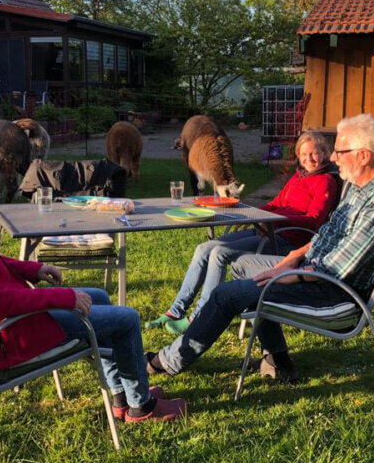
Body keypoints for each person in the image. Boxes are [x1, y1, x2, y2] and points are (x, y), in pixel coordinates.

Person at [0, 137, 185, 422]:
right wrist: (64, 297)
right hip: (9, 340)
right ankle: (141, 407)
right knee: (128, 319)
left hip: (9, 327)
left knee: (99, 296)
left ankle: (123, 396)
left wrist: (31, 270)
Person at [145, 114, 374, 380]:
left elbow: (341, 266)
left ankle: (166, 362)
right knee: (241, 266)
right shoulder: (363, 189)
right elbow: (328, 232)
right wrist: (294, 255)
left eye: (339, 151)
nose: (334, 158)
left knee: (226, 294)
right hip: (317, 273)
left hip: (332, 294)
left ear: (363, 155)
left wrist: (293, 273)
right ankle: (278, 359)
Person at [145, 131, 341, 335]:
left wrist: (273, 221)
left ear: (324, 152)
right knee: (205, 247)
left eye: (314, 153)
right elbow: (277, 203)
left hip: (287, 238)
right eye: (303, 154)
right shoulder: (298, 177)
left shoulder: (326, 180)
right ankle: (175, 311)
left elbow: (313, 221)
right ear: (298, 156)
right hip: (268, 230)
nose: (309, 159)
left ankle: (200, 316)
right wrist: (252, 215)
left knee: (219, 253)